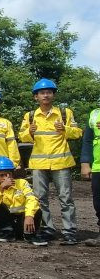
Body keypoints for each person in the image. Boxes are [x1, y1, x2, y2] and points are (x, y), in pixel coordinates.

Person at [19, 79, 82, 245]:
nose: (45, 95)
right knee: (40, 199)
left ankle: (69, 232)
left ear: (53, 95)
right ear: (36, 97)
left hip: (61, 162)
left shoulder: (65, 113)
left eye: (48, 92)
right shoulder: (30, 116)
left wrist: (65, 129)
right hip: (39, 164)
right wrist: (29, 132)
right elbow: (22, 137)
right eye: (42, 93)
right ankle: (48, 229)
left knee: (66, 198)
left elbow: (77, 133)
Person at [0, 157, 43, 245]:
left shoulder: (22, 183)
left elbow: (32, 199)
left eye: (8, 174)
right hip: (8, 221)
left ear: (13, 173)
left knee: (37, 210)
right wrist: (1, 188)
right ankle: (8, 232)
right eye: (1, 175)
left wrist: (29, 216)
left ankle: (30, 234)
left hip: (23, 219)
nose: (6, 178)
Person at [80, 102, 100, 235]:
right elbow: (87, 140)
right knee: (98, 201)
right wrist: (85, 162)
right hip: (97, 166)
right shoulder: (95, 114)